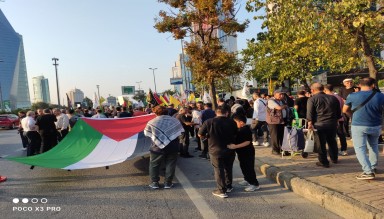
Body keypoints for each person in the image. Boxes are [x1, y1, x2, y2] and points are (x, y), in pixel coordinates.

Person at [343, 77, 384, 180]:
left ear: (360, 85)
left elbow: (344, 110)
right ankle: (373, 167)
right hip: (376, 125)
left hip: (358, 125)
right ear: (373, 85)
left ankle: (367, 171)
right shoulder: (380, 96)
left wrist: (351, 115)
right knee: (373, 146)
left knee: (360, 148)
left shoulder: (352, 95)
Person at [198, 106, 237, 198]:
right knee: (228, 167)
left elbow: (200, 134)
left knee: (219, 169)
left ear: (216, 113)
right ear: (226, 113)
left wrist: (207, 137)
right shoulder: (232, 122)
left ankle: (221, 190)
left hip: (215, 149)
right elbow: (236, 133)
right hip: (230, 148)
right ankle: (228, 186)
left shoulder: (209, 122)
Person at [144, 105, 184, 189]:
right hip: (172, 146)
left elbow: (146, 134)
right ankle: (168, 183)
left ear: (155, 112)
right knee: (170, 164)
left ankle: (154, 183)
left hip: (156, 147)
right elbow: (181, 132)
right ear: (167, 111)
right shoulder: (174, 120)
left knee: (154, 164)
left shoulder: (152, 122)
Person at [307, 83, 341, 168]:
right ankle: (334, 158)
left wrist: (309, 123)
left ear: (312, 90)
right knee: (332, 141)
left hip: (319, 124)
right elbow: (338, 112)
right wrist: (336, 121)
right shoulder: (333, 98)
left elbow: (310, 114)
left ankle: (324, 161)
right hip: (332, 123)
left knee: (321, 143)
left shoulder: (312, 99)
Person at [228, 114, 260, 192]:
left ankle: (254, 184)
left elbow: (247, 142)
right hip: (241, 152)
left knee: (249, 168)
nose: (234, 124)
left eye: (235, 122)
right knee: (243, 167)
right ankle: (247, 179)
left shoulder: (245, 130)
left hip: (247, 152)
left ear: (241, 122)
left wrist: (235, 146)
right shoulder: (240, 129)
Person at [324, 84, 348, 156]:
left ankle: (333, 150)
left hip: (330, 119)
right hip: (340, 118)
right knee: (341, 134)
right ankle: (344, 149)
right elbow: (342, 106)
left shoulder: (327, 98)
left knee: (331, 136)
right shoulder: (339, 97)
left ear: (325, 90)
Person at [267, 90, 289, 155]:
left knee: (281, 135)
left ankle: (283, 149)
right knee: (275, 136)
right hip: (273, 121)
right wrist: (285, 106)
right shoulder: (271, 101)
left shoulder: (282, 101)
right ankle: (275, 150)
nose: (282, 96)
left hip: (281, 120)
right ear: (275, 94)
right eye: (280, 95)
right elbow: (278, 108)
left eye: (282, 95)